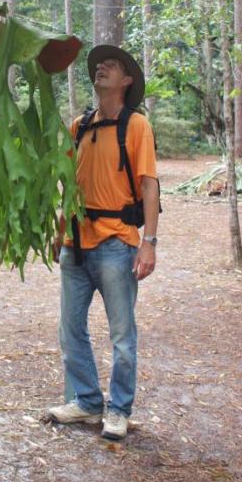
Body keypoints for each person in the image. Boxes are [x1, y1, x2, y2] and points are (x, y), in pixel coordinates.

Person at [48, 44, 160, 440]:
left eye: (111, 66)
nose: (101, 69)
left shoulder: (136, 125)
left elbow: (149, 185)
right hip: (76, 243)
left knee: (122, 336)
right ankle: (87, 402)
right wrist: (60, 231)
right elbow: (69, 185)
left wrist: (149, 242)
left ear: (126, 81)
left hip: (117, 243)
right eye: (98, 65)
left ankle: (119, 409)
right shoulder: (79, 126)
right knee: (70, 329)